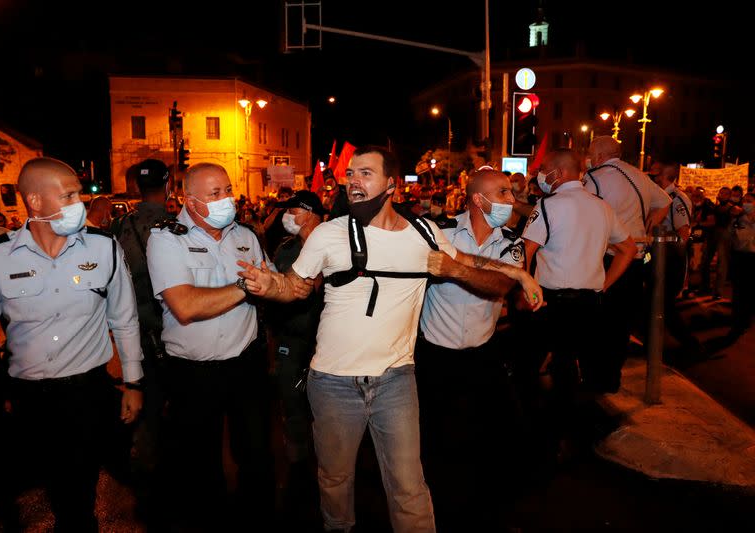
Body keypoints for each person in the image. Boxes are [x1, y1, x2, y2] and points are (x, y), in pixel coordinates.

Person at [238, 145, 541, 533]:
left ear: (391, 185)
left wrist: (520, 275)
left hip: (396, 379)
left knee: (408, 486)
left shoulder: (424, 233)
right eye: (350, 174)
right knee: (335, 479)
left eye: (365, 173)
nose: (353, 180)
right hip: (332, 382)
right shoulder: (329, 234)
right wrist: (270, 284)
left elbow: (466, 262)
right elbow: (296, 288)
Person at [0, 157, 144, 531]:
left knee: (77, 498)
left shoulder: (102, 248)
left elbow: (124, 318)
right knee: (28, 492)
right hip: (28, 401)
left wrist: (133, 383)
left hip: (86, 393)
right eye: (69, 195)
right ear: (35, 201)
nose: (80, 203)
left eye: (79, 194)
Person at [146, 162, 287, 529]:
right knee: (199, 463)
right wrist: (246, 286)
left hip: (247, 366)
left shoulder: (246, 236)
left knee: (257, 455)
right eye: (215, 194)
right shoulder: (167, 239)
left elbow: (270, 283)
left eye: (227, 189)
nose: (227, 199)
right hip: (194, 374)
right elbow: (186, 306)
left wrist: (283, 284)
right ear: (190, 202)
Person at [415, 167, 529, 529]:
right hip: (435, 351)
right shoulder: (441, 232)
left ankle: (486, 510)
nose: (512, 200)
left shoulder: (512, 242)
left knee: (495, 433)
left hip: (482, 351)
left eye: (511, 192)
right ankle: (432, 510)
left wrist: (456, 269)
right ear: (479, 200)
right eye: (504, 193)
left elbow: (499, 286)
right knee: (433, 435)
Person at [523, 149, 637, 461]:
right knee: (578, 364)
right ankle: (578, 435)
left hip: (553, 301)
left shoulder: (547, 205)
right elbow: (628, 249)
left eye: (545, 169)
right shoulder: (602, 207)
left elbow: (527, 250)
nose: (541, 175)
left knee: (549, 364)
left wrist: (525, 288)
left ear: (557, 173)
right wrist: (605, 283)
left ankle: (551, 439)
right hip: (591, 301)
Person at [109, 159, 172, 522]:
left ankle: (146, 467)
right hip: (169, 326)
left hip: (137, 327)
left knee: (146, 399)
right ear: (168, 183)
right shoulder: (170, 226)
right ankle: (169, 473)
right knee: (174, 401)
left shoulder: (123, 225)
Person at [584, 136, 670, 392]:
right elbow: (665, 201)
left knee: (599, 321)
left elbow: (584, 210)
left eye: (589, 153)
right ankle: (612, 378)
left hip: (610, 257)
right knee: (621, 324)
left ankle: (594, 379)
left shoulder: (596, 177)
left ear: (598, 155)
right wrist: (650, 224)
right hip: (636, 260)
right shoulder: (639, 175)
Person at [269, 190, 326, 526]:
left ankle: (327, 471)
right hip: (290, 341)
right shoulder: (286, 250)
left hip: (326, 346)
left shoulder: (336, 247)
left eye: (292, 210)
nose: (286, 216)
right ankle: (298, 469)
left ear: (309, 213)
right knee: (291, 406)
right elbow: (273, 298)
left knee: (325, 411)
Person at [650, 163, 703, 358]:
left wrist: (664, 243)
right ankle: (654, 343)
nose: (653, 179)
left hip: (671, 258)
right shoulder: (660, 197)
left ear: (665, 177)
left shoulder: (677, 199)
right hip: (659, 256)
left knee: (665, 304)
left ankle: (690, 344)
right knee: (656, 302)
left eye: (656, 176)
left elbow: (683, 234)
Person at [728, 192, 755, 339]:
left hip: (753, 258)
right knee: (738, 290)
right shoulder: (737, 218)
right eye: (744, 201)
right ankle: (737, 320)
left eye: (749, 201)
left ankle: (746, 320)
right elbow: (729, 235)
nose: (746, 203)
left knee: (750, 291)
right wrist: (733, 219)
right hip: (739, 257)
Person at [702, 186, 734, 298]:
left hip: (724, 235)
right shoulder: (716, 207)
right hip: (713, 235)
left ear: (729, 196)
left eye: (725, 193)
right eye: (721, 192)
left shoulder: (731, 208)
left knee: (722, 264)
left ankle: (718, 291)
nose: (722, 195)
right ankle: (706, 287)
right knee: (705, 261)